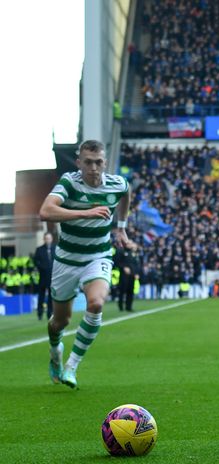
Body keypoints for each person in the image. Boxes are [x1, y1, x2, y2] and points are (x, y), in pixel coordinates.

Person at [39, 140, 133, 389]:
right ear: (78, 162)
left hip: (97, 256)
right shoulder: (69, 183)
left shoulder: (116, 183)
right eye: (88, 162)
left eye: (98, 162)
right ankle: (55, 351)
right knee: (60, 322)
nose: (93, 168)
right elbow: (45, 212)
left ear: (105, 163)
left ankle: (71, 366)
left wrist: (121, 228)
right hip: (67, 260)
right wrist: (85, 213)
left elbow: (126, 192)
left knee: (96, 303)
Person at [33, 232, 56, 320]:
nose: (48, 240)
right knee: (41, 296)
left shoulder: (55, 248)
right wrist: (42, 268)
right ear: (44, 239)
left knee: (51, 296)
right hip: (42, 276)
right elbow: (35, 261)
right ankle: (40, 313)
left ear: (52, 239)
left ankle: (50, 313)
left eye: (49, 238)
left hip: (52, 277)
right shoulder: (39, 249)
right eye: (46, 238)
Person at [114, 241, 140, 312]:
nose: (131, 245)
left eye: (131, 243)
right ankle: (121, 307)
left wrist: (136, 273)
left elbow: (136, 264)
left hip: (132, 275)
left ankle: (129, 307)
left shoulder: (133, 253)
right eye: (129, 243)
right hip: (123, 275)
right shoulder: (120, 251)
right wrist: (123, 267)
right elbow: (116, 262)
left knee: (130, 291)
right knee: (122, 291)